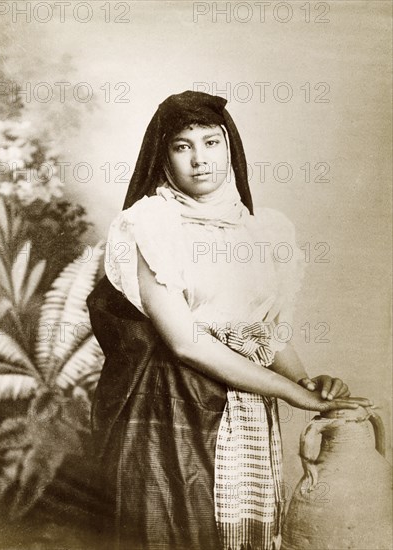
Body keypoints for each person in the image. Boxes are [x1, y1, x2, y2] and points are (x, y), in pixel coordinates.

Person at [87, 91, 371, 550]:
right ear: (163, 158)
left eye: (211, 142)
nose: (200, 160)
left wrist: (307, 381)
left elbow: (264, 331)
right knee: (185, 532)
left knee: (245, 532)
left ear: (230, 148)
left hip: (249, 409)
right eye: (183, 146)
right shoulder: (151, 224)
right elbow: (186, 343)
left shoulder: (264, 230)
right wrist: (292, 393)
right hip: (171, 406)